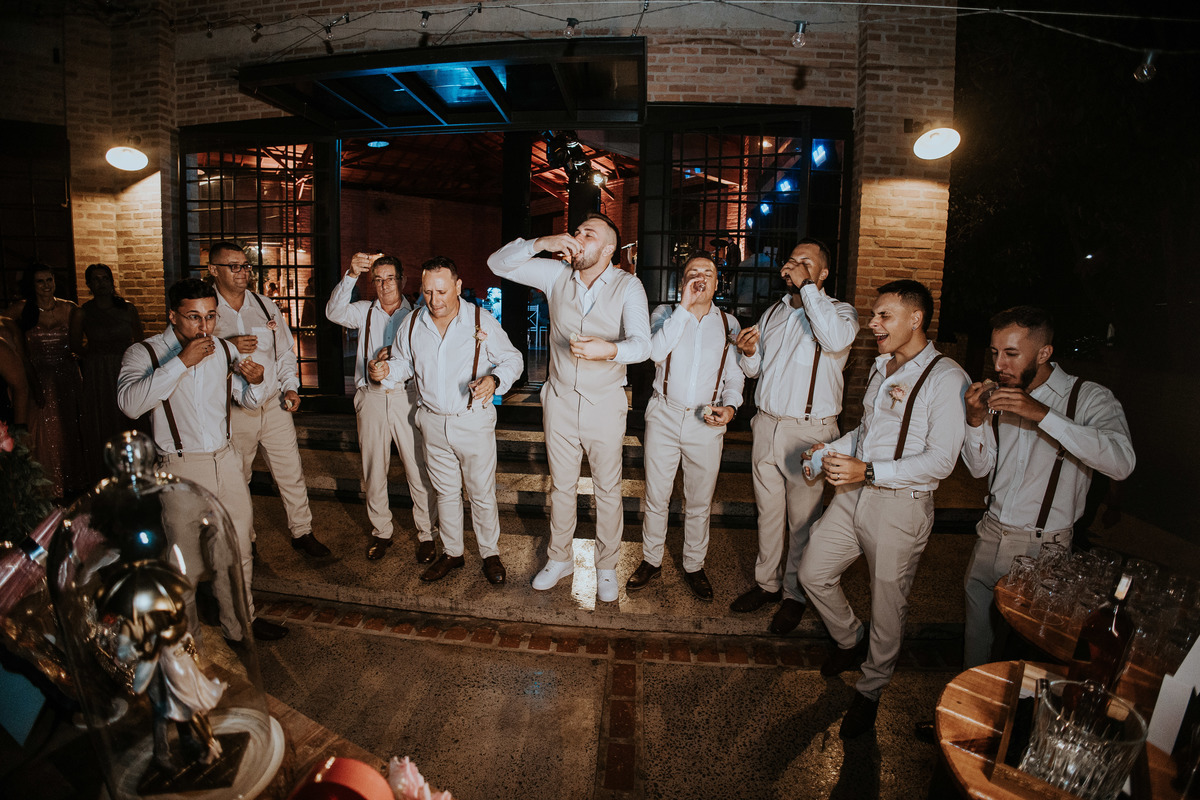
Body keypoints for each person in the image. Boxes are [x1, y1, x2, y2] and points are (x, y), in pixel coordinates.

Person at [798, 279, 968, 739]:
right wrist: (830, 449)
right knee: (813, 573)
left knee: (888, 604)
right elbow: (867, 433)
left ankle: (870, 691)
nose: (872, 323)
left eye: (883, 316)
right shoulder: (881, 366)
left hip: (900, 507)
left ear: (916, 319)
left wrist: (868, 471)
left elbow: (941, 461)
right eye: (873, 315)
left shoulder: (947, 378)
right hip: (855, 494)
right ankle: (850, 638)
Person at [487, 212, 651, 603]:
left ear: (608, 248)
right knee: (561, 486)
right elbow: (496, 264)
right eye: (576, 231)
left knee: (607, 489)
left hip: (605, 402)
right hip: (559, 400)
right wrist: (541, 243)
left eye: (587, 234)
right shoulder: (556, 274)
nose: (577, 237)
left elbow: (643, 345)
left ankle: (606, 565)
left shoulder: (628, 285)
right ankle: (559, 558)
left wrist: (609, 350)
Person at [960, 306, 1135, 668]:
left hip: (1043, 550)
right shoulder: (1000, 394)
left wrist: (1042, 415)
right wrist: (975, 420)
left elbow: (1122, 462)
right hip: (989, 536)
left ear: (1044, 353)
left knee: (1023, 656)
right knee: (976, 644)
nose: (998, 365)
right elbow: (979, 469)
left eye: (1011, 353)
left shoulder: (1088, 397)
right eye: (995, 352)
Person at [117, 278, 288, 643]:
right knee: (186, 564)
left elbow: (247, 399)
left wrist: (257, 382)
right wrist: (181, 362)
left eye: (210, 316)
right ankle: (187, 640)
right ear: (172, 315)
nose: (205, 326)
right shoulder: (144, 353)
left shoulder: (223, 350)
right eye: (194, 317)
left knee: (237, 552)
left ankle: (240, 627)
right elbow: (130, 405)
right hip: (180, 467)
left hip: (227, 460)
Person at [730, 239, 860, 634]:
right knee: (768, 514)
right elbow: (756, 372)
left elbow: (834, 340)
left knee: (803, 522)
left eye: (807, 262)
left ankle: (795, 594)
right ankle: (767, 584)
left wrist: (806, 287)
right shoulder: (775, 311)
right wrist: (748, 353)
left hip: (809, 432)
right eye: (792, 261)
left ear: (823, 273)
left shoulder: (840, 312)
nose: (796, 266)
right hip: (765, 425)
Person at [374, 256, 523, 584]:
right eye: (427, 292)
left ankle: (490, 553)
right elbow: (403, 364)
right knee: (445, 492)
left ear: (457, 286)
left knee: (480, 492)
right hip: (431, 421)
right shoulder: (412, 323)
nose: (434, 300)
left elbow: (512, 359)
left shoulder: (480, 320)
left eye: (441, 291)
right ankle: (453, 552)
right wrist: (385, 371)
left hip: (472, 420)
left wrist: (495, 380)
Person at [627, 255, 744, 600]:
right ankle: (651, 560)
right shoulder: (665, 314)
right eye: (693, 273)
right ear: (683, 282)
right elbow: (655, 352)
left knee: (699, 499)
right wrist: (684, 307)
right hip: (664, 414)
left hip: (705, 421)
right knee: (656, 495)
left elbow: (734, 376)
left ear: (717, 282)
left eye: (708, 273)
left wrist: (731, 407)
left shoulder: (729, 324)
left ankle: (694, 565)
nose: (700, 277)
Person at [208, 241, 330, 559]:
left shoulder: (264, 306)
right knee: (238, 477)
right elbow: (196, 357)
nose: (242, 272)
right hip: (234, 409)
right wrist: (229, 345)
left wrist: (291, 388)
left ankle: (302, 532)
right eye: (234, 266)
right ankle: (245, 539)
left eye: (245, 265)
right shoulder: (207, 311)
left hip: (273, 404)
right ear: (213, 270)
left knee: (291, 471)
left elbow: (284, 354)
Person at [326, 253, 439, 562]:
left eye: (390, 278)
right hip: (372, 398)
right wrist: (351, 274)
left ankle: (427, 533)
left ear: (402, 280)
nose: (384, 285)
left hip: (407, 397)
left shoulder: (418, 315)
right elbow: (333, 312)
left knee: (418, 467)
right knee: (374, 469)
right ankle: (381, 532)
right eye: (378, 279)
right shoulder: (363, 311)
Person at [5, 265, 85, 498]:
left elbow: (80, 340)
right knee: (44, 429)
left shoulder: (69, 308)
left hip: (67, 374)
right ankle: (49, 485)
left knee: (71, 426)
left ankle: (74, 481)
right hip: (38, 375)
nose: (46, 285)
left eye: (49, 280)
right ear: (33, 285)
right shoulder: (22, 308)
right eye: (40, 281)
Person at [79, 263, 145, 479]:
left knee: (128, 413)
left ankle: (134, 465)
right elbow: (75, 344)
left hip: (125, 366)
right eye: (96, 279)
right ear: (89, 284)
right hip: (98, 372)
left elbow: (140, 340)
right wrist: (96, 357)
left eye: (105, 278)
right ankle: (106, 469)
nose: (101, 283)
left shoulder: (128, 309)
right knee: (103, 417)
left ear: (112, 281)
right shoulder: (83, 312)